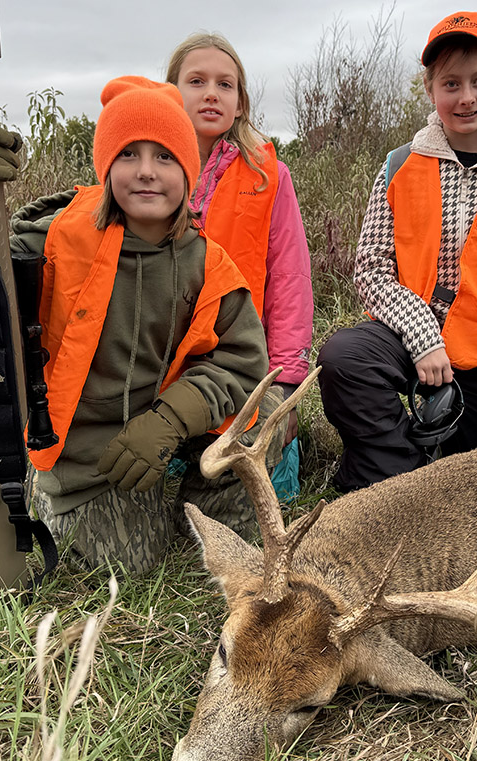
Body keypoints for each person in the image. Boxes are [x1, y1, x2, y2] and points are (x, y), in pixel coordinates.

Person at [0, 76, 270, 578]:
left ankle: (188, 509)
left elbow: (243, 362)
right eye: (127, 156)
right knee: (133, 566)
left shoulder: (209, 265)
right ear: (105, 167)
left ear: (189, 171)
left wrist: (169, 421)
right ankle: (33, 480)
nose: (145, 172)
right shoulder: (53, 245)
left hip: (158, 428)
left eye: (164, 157)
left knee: (255, 434)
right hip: (77, 442)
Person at [317, 11, 477, 493]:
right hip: (412, 342)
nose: (466, 97)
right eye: (451, 83)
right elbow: (370, 268)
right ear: (431, 88)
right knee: (343, 357)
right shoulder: (399, 165)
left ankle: (413, 462)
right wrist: (423, 336)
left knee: (464, 483)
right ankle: (390, 471)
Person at [166, 33, 314, 501]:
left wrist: (286, 379)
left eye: (225, 84)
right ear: (171, 94)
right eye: (196, 81)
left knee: (233, 468)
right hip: (164, 368)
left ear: (240, 101)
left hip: (244, 367)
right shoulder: (145, 173)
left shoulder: (270, 176)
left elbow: (290, 279)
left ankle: (264, 449)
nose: (212, 93)